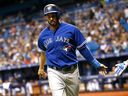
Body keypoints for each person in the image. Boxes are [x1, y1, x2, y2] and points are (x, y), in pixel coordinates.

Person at [37, 4, 107, 96]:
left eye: (53, 16)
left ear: (58, 15)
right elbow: (42, 52)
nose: (51, 19)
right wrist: (41, 67)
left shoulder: (72, 30)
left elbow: (83, 49)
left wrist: (96, 64)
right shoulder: (42, 35)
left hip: (72, 71)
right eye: (48, 16)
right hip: (54, 72)